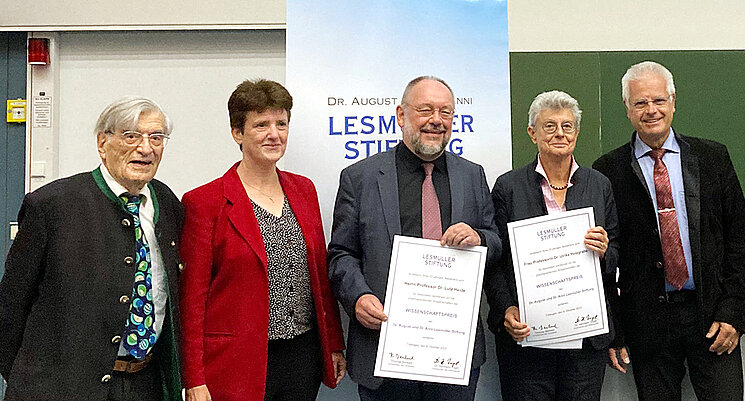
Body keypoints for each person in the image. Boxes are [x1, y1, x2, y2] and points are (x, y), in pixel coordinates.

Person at [327, 75, 501, 401]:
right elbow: (341, 253)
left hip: (454, 352)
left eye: (446, 112)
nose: (436, 120)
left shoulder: (472, 174)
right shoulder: (359, 178)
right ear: (401, 115)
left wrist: (479, 237)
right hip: (384, 350)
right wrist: (358, 297)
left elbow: (495, 241)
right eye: (426, 110)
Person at [0, 96, 183, 400]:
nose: (146, 148)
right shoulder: (52, 206)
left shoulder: (168, 204)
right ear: (102, 143)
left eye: (156, 137)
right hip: (61, 389)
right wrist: (30, 383)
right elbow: (10, 307)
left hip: (144, 384)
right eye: (131, 136)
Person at [594, 61, 745, 401]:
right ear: (627, 108)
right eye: (640, 103)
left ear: (673, 101)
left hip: (713, 318)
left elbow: (739, 238)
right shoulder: (608, 170)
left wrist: (734, 314)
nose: (651, 110)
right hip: (647, 324)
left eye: (658, 100)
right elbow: (605, 254)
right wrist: (615, 330)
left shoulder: (713, 157)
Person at [179, 79, 346, 401]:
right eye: (261, 125)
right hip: (235, 361)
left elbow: (319, 278)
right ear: (237, 133)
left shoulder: (303, 190)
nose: (274, 134)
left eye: (281, 123)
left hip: (302, 355)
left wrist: (334, 343)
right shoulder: (205, 202)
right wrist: (193, 377)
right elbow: (192, 299)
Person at [487, 90, 619, 401]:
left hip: (585, 342)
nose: (559, 133)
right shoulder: (508, 187)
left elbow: (617, 254)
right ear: (532, 133)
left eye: (567, 126)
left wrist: (604, 251)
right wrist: (506, 309)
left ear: (577, 132)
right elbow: (495, 261)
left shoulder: (599, 184)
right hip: (527, 340)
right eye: (549, 126)